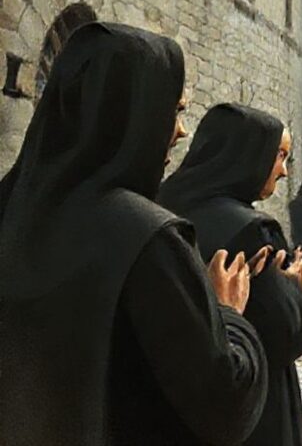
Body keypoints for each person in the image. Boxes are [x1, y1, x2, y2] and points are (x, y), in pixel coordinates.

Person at [0, 22, 269, 444]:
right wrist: (228, 315)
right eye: (175, 111)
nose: (181, 132)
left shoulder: (10, 209)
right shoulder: (148, 239)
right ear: (134, 112)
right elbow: (224, 401)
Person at [159, 103, 302, 446]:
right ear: (249, 155)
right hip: (252, 407)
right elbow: (287, 335)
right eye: (279, 156)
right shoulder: (253, 231)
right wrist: (295, 290)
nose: (284, 171)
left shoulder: (158, 205)